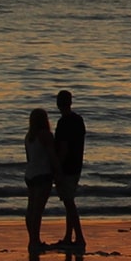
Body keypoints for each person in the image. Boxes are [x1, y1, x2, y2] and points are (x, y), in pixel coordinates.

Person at [53, 89, 87, 252]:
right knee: (69, 201)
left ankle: (79, 237)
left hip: (66, 166)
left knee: (69, 202)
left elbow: (63, 148)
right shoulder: (78, 120)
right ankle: (69, 236)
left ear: (58, 103)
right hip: (76, 164)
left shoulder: (64, 122)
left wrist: (57, 168)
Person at [24, 107, 57, 252]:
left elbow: (29, 158)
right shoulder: (45, 135)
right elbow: (52, 156)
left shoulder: (29, 137)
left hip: (30, 174)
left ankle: (32, 239)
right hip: (43, 175)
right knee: (38, 210)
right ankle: (35, 241)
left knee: (31, 209)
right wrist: (58, 173)